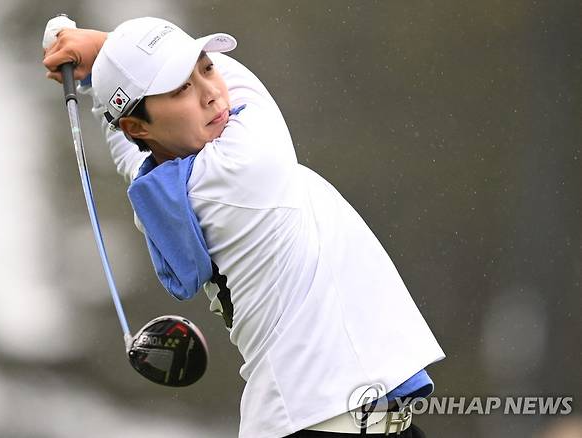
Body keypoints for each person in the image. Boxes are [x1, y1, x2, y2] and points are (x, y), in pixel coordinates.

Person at [43, 16, 445, 438]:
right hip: (324, 423)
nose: (211, 94)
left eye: (206, 67)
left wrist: (103, 74)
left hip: (328, 419)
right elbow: (246, 89)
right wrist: (106, 48)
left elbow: (128, 144)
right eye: (181, 88)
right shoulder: (242, 166)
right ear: (139, 126)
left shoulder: (159, 185)